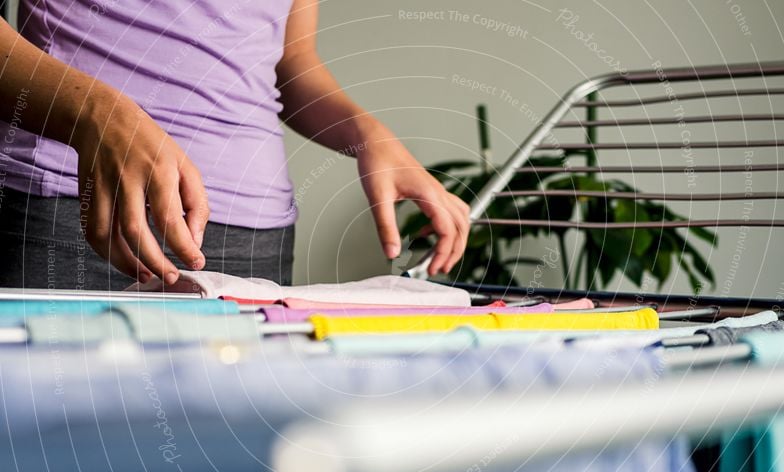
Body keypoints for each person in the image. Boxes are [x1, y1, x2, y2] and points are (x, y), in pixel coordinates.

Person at [0, 0, 469, 290]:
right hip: (70, 204)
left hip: (254, 235)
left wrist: (368, 135)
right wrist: (95, 114)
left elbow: (290, 59)